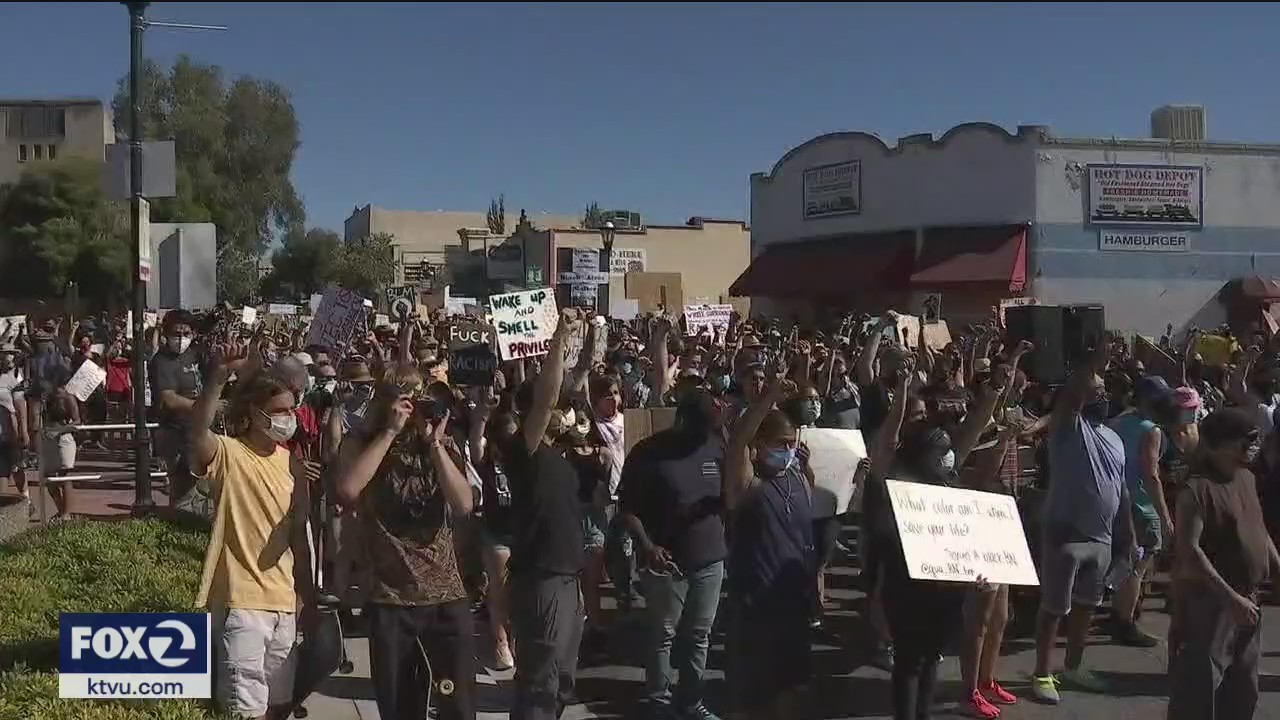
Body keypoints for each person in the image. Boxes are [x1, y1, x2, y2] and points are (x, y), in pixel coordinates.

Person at [332, 363, 478, 720]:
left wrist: (435, 445)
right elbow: (348, 490)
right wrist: (389, 432)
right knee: (400, 707)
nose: (414, 408)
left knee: (457, 705)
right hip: (392, 598)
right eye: (406, 400)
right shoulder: (362, 442)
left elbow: (463, 505)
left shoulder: (440, 444)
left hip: (445, 596)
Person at [863, 354, 1003, 720]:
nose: (920, 420)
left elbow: (972, 431)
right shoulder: (892, 472)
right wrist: (902, 393)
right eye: (913, 416)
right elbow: (888, 441)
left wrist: (993, 392)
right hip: (904, 585)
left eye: (923, 415)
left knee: (931, 659)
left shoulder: (944, 472)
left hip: (944, 588)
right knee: (910, 662)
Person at [190, 340, 314, 720]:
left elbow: (299, 534)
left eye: (292, 410)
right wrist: (217, 380)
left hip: (284, 604)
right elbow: (197, 435)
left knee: (278, 707)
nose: (289, 418)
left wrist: (306, 596)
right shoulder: (229, 453)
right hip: (241, 604)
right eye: (279, 411)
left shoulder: (292, 464)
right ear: (255, 414)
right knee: (246, 710)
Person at [1030, 341, 1134, 704]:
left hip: (1101, 538)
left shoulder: (1114, 438)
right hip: (1066, 533)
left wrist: (1128, 534)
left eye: (1105, 391)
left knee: (1088, 604)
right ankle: (1042, 673)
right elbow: (1072, 396)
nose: (1102, 396)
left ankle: (1073, 668)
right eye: (1097, 390)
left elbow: (1121, 488)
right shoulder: (1068, 427)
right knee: (1054, 608)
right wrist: (1089, 366)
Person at [620, 387, 727, 720]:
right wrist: (647, 546)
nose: (704, 435)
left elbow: (729, 495)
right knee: (663, 635)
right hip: (666, 564)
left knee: (699, 635)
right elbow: (626, 509)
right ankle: (659, 702)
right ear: (682, 420)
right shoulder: (647, 453)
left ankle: (692, 701)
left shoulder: (716, 445)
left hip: (710, 560)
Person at [1168, 408, 1280, 720]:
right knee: (1199, 690)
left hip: (1248, 599)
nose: (1252, 447)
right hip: (1210, 602)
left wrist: (1277, 568)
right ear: (1219, 445)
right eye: (1245, 441)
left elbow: (1259, 530)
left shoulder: (1247, 478)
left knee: (1244, 690)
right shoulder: (1196, 489)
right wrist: (1231, 599)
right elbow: (1190, 551)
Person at [504, 309, 586, 720]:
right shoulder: (524, 450)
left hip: (568, 577)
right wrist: (559, 338)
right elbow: (547, 398)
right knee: (541, 679)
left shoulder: (561, 454)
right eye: (558, 406)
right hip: (542, 576)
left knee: (562, 678)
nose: (563, 410)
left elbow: (574, 384)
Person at [722, 369, 816, 719]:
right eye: (779, 444)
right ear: (759, 446)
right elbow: (738, 441)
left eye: (791, 443)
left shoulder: (797, 478)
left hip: (794, 604)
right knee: (752, 698)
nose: (787, 450)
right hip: (756, 608)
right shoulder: (748, 485)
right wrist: (768, 398)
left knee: (792, 689)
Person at [1107, 376, 1175, 647]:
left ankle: (1120, 614)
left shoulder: (1119, 422)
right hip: (1142, 504)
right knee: (1139, 563)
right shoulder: (1151, 430)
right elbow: (1151, 474)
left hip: (1117, 500)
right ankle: (1125, 622)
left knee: (1125, 560)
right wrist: (1164, 515)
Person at [150, 310, 206, 511]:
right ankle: (178, 518)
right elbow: (168, 398)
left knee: (200, 485)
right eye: (176, 333)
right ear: (166, 334)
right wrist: (204, 407)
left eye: (186, 333)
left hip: (197, 429)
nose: (181, 338)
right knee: (181, 486)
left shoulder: (194, 355)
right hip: (174, 431)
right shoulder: (161, 361)